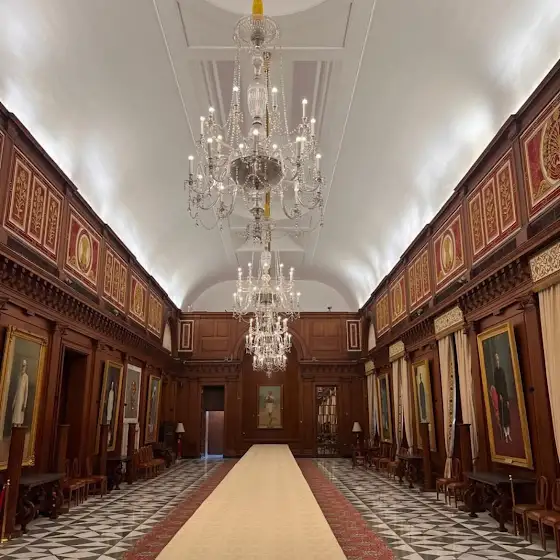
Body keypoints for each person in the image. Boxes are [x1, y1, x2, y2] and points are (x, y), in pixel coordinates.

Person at [492, 352, 512, 443]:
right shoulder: (495, 372)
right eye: (496, 360)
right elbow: (496, 385)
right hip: (499, 396)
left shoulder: (502, 371)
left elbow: (504, 384)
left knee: (507, 415)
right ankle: (505, 435)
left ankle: (509, 433)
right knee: (503, 416)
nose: (497, 361)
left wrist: (506, 398)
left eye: (498, 359)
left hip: (504, 395)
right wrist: (498, 394)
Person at [12, 359, 29, 426]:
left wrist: (24, 404)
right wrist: (14, 402)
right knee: (15, 421)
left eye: (24, 366)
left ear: (25, 367)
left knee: (19, 421)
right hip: (17, 401)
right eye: (22, 366)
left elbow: (26, 392)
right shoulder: (19, 376)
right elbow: (17, 390)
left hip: (21, 401)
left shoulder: (26, 377)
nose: (23, 367)